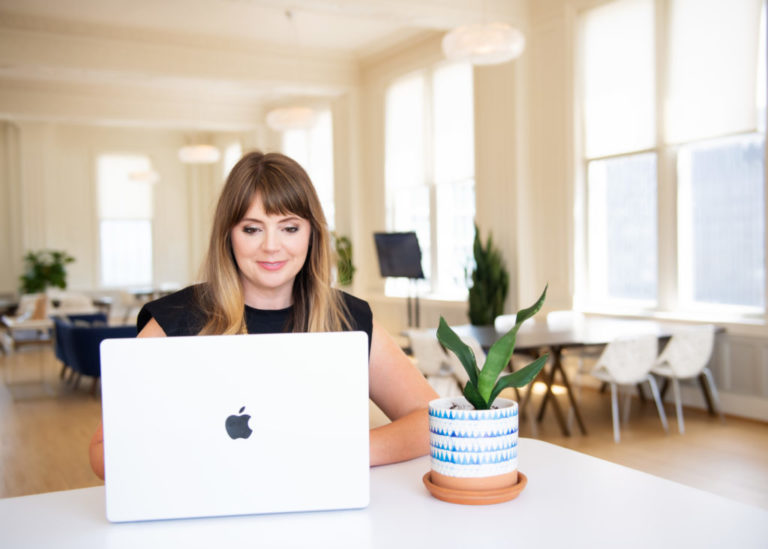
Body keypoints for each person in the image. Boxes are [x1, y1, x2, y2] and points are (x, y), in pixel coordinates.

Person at [89, 150, 438, 479]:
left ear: (312, 233)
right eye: (252, 228)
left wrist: (341, 450)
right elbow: (103, 453)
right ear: (228, 234)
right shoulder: (176, 319)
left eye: (289, 227)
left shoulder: (347, 318)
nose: (272, 246)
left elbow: (435, 420)